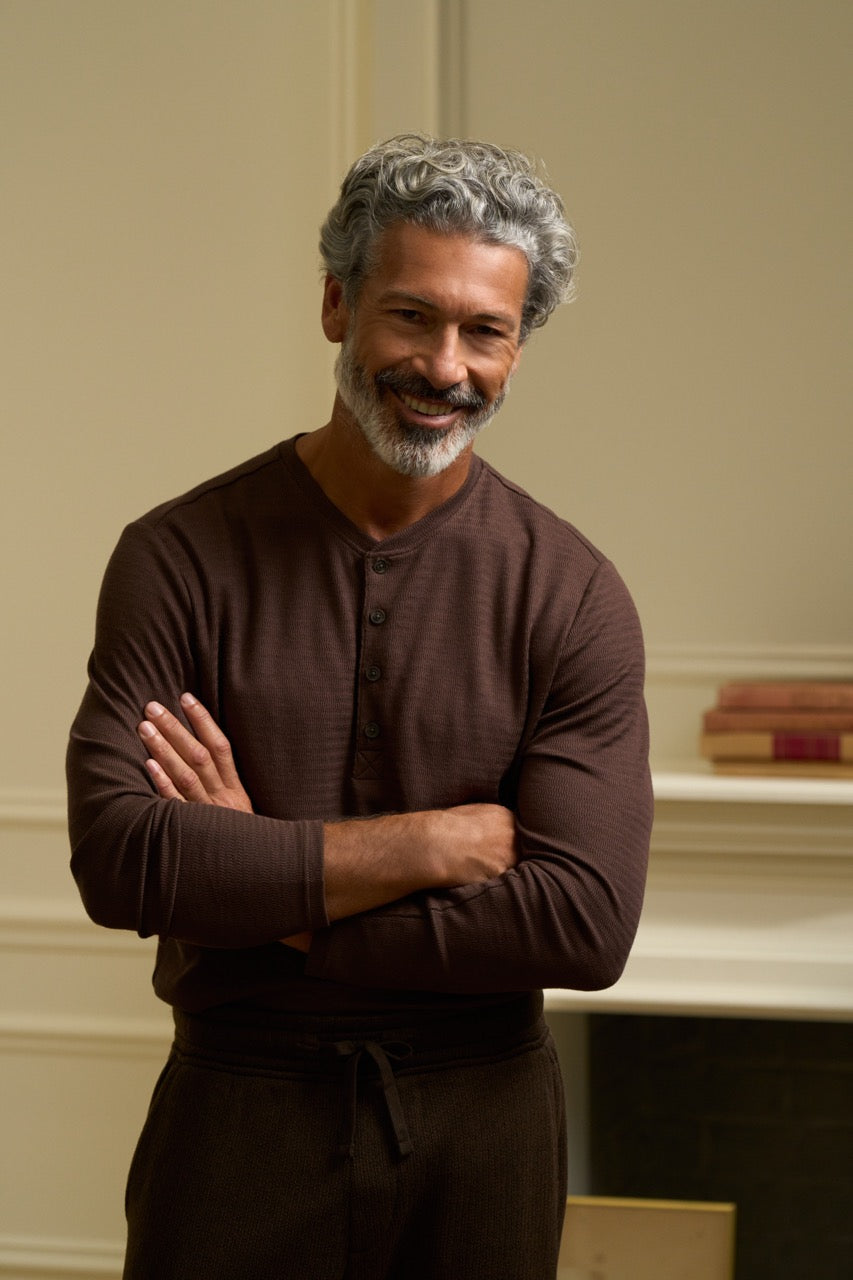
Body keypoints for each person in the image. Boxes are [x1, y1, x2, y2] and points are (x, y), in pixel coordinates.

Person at [67, 133, 653, 1280]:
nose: (445, 366)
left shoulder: (574, 589)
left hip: (485, 1132)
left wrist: (267, 895)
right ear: (336, 304)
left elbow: (583, 925)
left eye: (485, 330)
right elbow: (124, 860)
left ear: (518, 347)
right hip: (237, 1114)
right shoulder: (178, 556)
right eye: (411, 316)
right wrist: (428, 843)